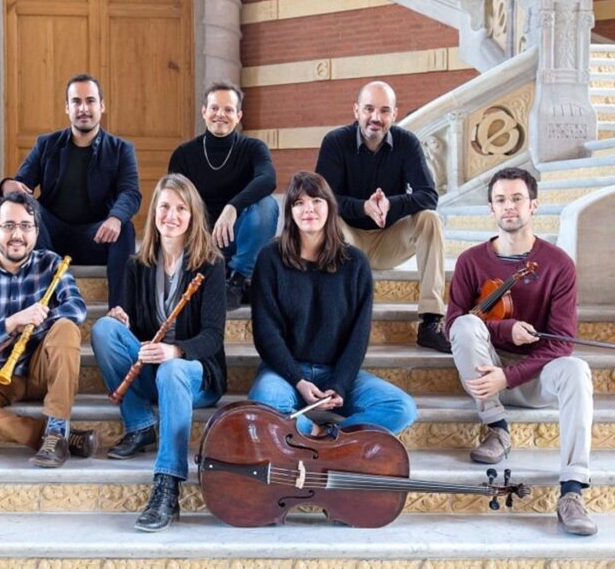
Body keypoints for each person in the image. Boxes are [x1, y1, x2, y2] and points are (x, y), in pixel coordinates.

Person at [446, 167, 595, 536]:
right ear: (490, 209)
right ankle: (497, 428)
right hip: (486, 372)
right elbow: (451, 325)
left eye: (517, 199)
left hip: (535, 377)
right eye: (500, 200)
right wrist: (503, 328)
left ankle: (572, 491)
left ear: (534, 206)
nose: (509, 207)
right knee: (466, 325)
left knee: (576, 368)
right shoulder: (471, 261)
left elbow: (561, 342)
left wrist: (510, 376)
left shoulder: (558, 264)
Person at [91, 173, 227, 532]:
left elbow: (213, 336)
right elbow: (138, 332)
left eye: (181, 208)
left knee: (171, 370)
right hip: (155, 370)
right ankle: (140, 424)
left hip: (196, 375)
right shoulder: (138, 264)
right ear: (154, 213)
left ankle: (167, 484)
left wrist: (176, 350)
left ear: (193, 215)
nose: (172, 215)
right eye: (165, 206)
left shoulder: (210, 264)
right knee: (105, 330)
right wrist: (123, 321)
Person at [248, 171, 417, 438]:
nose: (308, 209)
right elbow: (265, 332)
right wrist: (298, 380)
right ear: (290, 211)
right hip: (285, 373)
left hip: (335, 372)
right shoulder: (270, 258)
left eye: (316, 201)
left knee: (401, 407)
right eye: (299, 203)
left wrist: (340, 383)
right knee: (267, 403)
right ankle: (316, 434)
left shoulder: (356, 263)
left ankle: (331, 438)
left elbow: (358, 336)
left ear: (330, 206)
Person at [0, 191, 97, 468]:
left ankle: (56, 426)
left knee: (66, 329)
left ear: (36, 232)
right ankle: (55, 438)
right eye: (8, 226)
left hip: (38, 368)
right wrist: (8, 324)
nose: (17, 234)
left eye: (25, 226)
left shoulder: (52, 264)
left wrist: (29, 328)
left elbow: (77, 309)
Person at [315, 80, 448, 352]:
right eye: (369, 109)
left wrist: (392, 204)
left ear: (394, 115)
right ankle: (335, 319)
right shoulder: (335, 142)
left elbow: (428, 195)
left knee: (430, 219)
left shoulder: (406, 143)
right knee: (327, 219)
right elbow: (323, 200)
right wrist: (363, 207)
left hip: (390, 239)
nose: (376, 118)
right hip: (347, 240)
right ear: (356, 111)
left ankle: (431, 321)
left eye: (384, 111)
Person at [0, 73, 141, 309]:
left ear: (102, 106)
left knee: (124, 227)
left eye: (90, 101)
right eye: (76, 101)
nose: (83, 108)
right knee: (28, 211)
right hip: (50, 239)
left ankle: (119, 312)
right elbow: (20, 185)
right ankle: (43, 304)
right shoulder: (47, 144)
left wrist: (115, 218)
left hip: (96, 237)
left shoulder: (120, 149)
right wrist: (6, 186)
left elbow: (131, 192)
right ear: (67, 107)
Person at [168, 81, 277, 310]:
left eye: (228, 110)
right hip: (201, 239)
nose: (221, 115)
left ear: (238, 116)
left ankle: (237, 281)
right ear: (204, 112)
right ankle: (220, 274)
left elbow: (268, 179)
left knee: (268, 206)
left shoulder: (253, 148)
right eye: (215, 108)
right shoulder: (184, 154)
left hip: (240, 238)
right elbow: (174, 203)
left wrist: (233, 207)